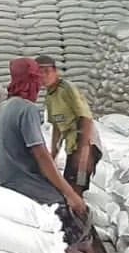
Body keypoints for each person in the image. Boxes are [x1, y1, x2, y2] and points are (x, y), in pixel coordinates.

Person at [0, 57, 86, 241]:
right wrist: (70, 195)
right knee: (70, 212)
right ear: (30, 82)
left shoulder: (2, 107)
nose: (39, 86)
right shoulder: (27, 109)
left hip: (6, 180)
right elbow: (41, 154)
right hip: (26, 183)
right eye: (36, 80)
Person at [37, 53, 100, 191]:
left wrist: (83, 153)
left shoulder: (67, 89)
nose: (43, 76)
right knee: (68, 187)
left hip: (86, 145)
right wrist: (53, 155)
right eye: (39, 73)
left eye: (47, 72)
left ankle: (82, 210)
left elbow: (86, 118)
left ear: (55, 71)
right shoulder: (50, 96)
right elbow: (57, 128)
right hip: (72, 147)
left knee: (76, 187)